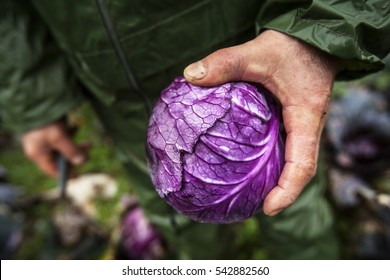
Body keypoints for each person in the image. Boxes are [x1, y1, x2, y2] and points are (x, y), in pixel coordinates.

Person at [0, 0, 389, 259]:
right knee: (178, 218)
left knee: (294, 200)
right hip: (118, 97)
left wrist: (313, 33)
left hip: (253, 58)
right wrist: (36, 100)